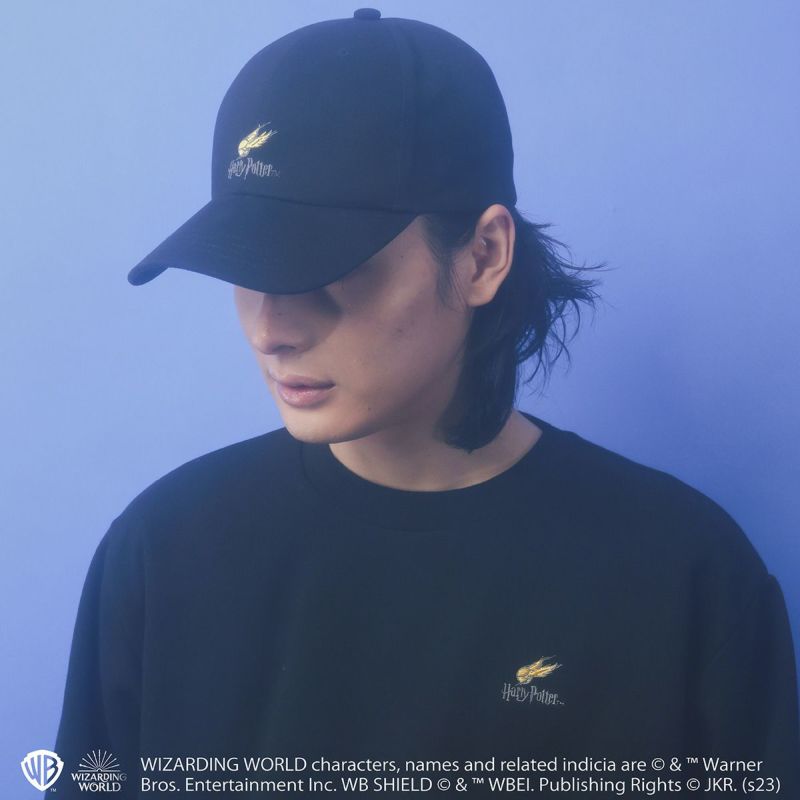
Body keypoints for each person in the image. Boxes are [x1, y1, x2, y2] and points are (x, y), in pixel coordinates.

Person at [47, 8, 799, 799]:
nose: (270, 330)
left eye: (330, 270)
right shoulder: (164, 552)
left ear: (484, 255)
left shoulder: (684, 576)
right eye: (248, 269)